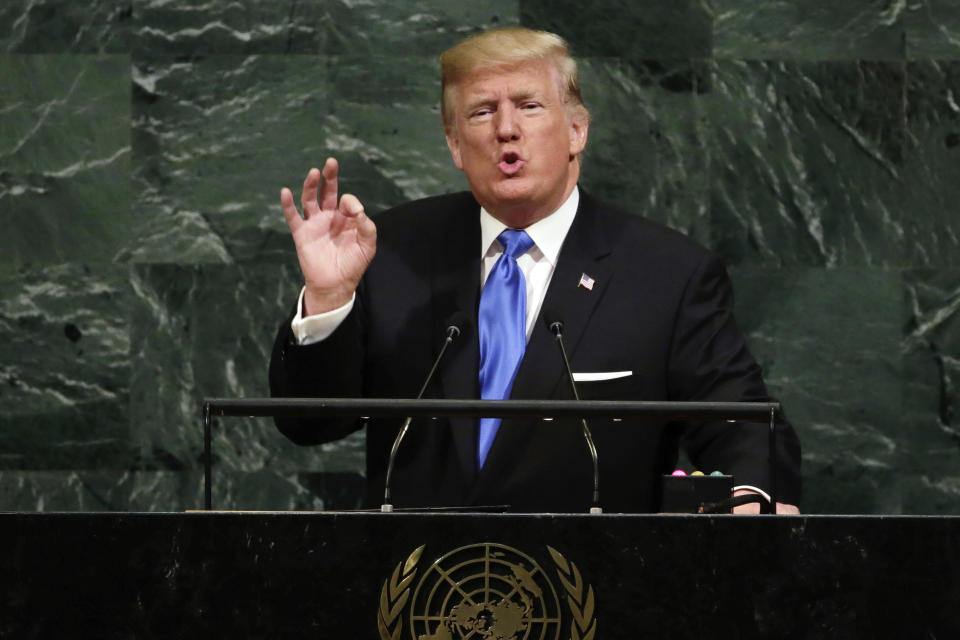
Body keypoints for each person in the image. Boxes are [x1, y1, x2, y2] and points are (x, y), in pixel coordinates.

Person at [269, 27, 801, 514]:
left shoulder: (667, 274)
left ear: (576, 130)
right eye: (481, 113)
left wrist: (751, 495)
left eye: (528, 106)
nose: (506, 130)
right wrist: (328, 298)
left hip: (597, 591)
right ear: (455, 144)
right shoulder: (391, 251)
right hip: (418, 591)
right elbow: (310, 422)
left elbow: (744, 422)